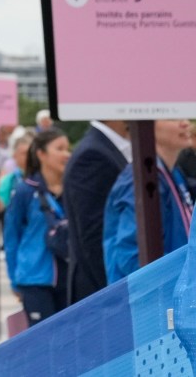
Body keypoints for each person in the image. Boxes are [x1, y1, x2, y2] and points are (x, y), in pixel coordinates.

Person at [102, 118, 193, 284]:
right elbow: (133, 256)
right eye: (173, 117)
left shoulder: (173, 173)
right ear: (145, 125)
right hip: (147, 302)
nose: (185, 123)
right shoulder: (140, 180)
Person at [2, 129, 72, 325]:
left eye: (67, 149)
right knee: (43, 343)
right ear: (41, 154)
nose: (66, 154)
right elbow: (11, 236)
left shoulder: (74, 187)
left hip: (70, 277)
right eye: (59, 149)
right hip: (35, 278)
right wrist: (14, 278)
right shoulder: (25, 191)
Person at [64, 119, 131, 301]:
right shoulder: (92, 154)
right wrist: (116, 294)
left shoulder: (104, 147)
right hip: (100, 292)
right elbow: (94, 237)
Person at [0, 132, 33, 210]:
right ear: (14, 155)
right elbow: (0, 206)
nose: (28, 157)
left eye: (30, 153)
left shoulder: (43, 175)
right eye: (24, 153)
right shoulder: (10, 179)